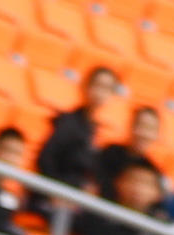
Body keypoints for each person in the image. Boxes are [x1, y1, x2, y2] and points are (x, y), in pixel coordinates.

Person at [34, 65, 119, 197]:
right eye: (98, 85)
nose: (100, 93)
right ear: (86, 86)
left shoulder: (95, 130)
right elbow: (46, 159)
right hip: (55, 194)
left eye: (107, 88)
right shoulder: (68, 123)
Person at [96, 105, 164, 204]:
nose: (144, 133)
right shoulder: (111, 152)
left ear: (157, 135)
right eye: (141, 126)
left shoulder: (152, 171)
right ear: (131, 126)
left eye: (150, 129)